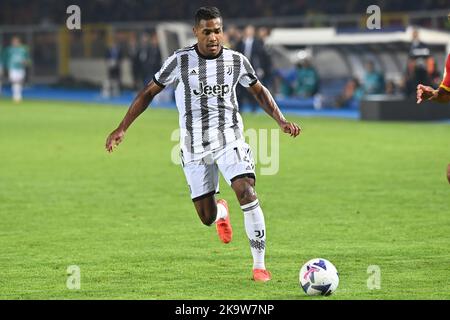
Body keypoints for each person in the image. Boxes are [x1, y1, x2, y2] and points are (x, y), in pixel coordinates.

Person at [105, 7, 301, 282]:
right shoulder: (179, 62)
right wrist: (122, 127)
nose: (213, 37)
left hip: (229, 138)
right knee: (206, 217)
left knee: (246, 191)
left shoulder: (236, 61)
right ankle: (220, 210)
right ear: (196, 32)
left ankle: (259, 266)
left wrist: (281, 121)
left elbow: (259, 90)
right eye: (207, 31)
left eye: (217, 30)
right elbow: (148, 92)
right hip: (194, 146)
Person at [4, 36, 30, 103]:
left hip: (20, 68)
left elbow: (28, 59)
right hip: (13, 67)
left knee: (20, 81)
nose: (15, 43)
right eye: (14, 42)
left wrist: (26, 62)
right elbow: (5, 58)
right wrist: (6, 66)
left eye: (16, 41)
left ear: (19, 42)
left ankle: (18, 95)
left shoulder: (23, 49)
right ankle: (16, 96)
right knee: (14, 81)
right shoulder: (9, 50)